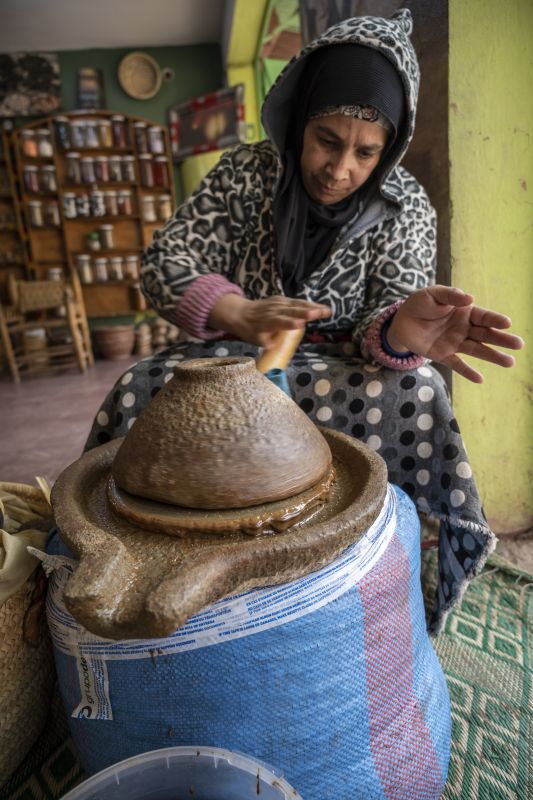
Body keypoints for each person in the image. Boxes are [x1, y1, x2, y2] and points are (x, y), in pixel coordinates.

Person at [86, 9, 523, 632]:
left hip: (349, 367)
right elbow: (165, 262)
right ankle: (137, 575)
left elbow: (387, 318)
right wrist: (238, 312)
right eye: (326, 139)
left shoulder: (406, 206)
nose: (340, 169)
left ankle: (391, 582)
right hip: (231, 365)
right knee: (138, 387)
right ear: (299, 121)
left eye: (366, 152)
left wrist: (402, 332)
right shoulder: (244, 174)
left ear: (390, 148)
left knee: (420, 390)